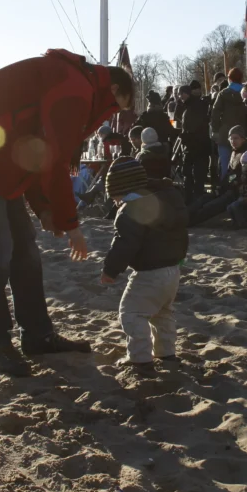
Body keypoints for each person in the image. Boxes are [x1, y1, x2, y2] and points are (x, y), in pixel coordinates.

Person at [0, 49, 134, 376]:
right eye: (116, 108)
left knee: (24, 249)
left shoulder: (75, 82)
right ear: (112, 91)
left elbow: (32, 150)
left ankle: (37, 335)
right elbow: (53, 161)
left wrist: (42, 208)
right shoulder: (76, 89)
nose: (109, 117)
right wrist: (72, 225)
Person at [100, 157, 189, 376]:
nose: (115, 201)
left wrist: (110, 270)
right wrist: (180, 258)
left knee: (131, 312)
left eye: (114, 196)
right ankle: (166, 353)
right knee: (163, 312)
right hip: (173, 269)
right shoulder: (169, 198)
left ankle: (140, 359)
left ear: (121, 190)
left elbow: (125, 244)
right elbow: (181, 234)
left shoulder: (131, 211)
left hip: (149, 273)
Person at [188, 126, 247, 226]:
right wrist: (221, 186)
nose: (233, 141)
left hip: (238, 191)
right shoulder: (234, 152)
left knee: (211, 206)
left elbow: (241, 176)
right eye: (231, 138)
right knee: (202, 200)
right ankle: (184, 217)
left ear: (243, 139)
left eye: (236, 138)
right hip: (228, 188)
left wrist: (229, 185)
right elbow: (230, 174)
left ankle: (189, 222)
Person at [210, 68, 247, 183]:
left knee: (225, 163)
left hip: (224, 134)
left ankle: (225, 187)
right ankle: (239, 187)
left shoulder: (223, 94)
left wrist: (215, 130)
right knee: (241, 163)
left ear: (229, 79)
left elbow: (215, 114)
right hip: (242, 134)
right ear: (241, 79)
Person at [178, 84, 211, 202]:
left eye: (182, 93)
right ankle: (196, 197)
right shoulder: (193, 105)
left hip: (194, 145)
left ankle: (192, 199)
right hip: (198, 145)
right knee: (196, 174)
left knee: (192, 173)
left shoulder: (194, 107)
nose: (180, 96)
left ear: (188, 93)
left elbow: (194, 127)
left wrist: (184, 135)